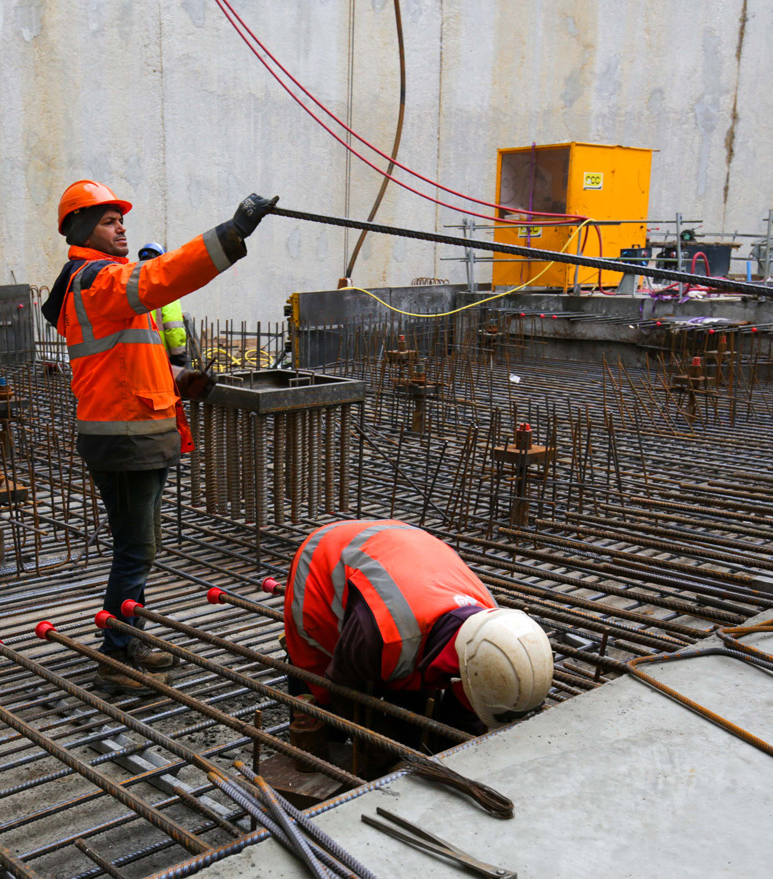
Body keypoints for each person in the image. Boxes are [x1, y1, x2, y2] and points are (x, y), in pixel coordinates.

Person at [41, 180, 278, 692]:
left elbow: (125, 365)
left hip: (135, 435)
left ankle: (129, 639)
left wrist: (177, 380)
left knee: (139, 549)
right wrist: (233, 232)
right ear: (84, 229)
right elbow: (164, 274)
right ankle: (118, 652)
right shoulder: (98, 281)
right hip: (124, 441)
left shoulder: (100, 288)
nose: (121, 226)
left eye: (120, 219)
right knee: (135, 550)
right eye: (108, 220)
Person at [280, 519, 554, 762]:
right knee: (325, 707)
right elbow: (345, 694)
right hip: (322, 560)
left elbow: (464, 715)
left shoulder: (490, 635)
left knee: (411, 700)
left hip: (399, 552)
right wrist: (390, 757)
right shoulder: (382, 634)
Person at [136, 241, 192, 365]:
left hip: (139, 355)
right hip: (161, 355)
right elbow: (173, 325)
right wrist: (179, 353)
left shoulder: (133, 285)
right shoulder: (166, 286)